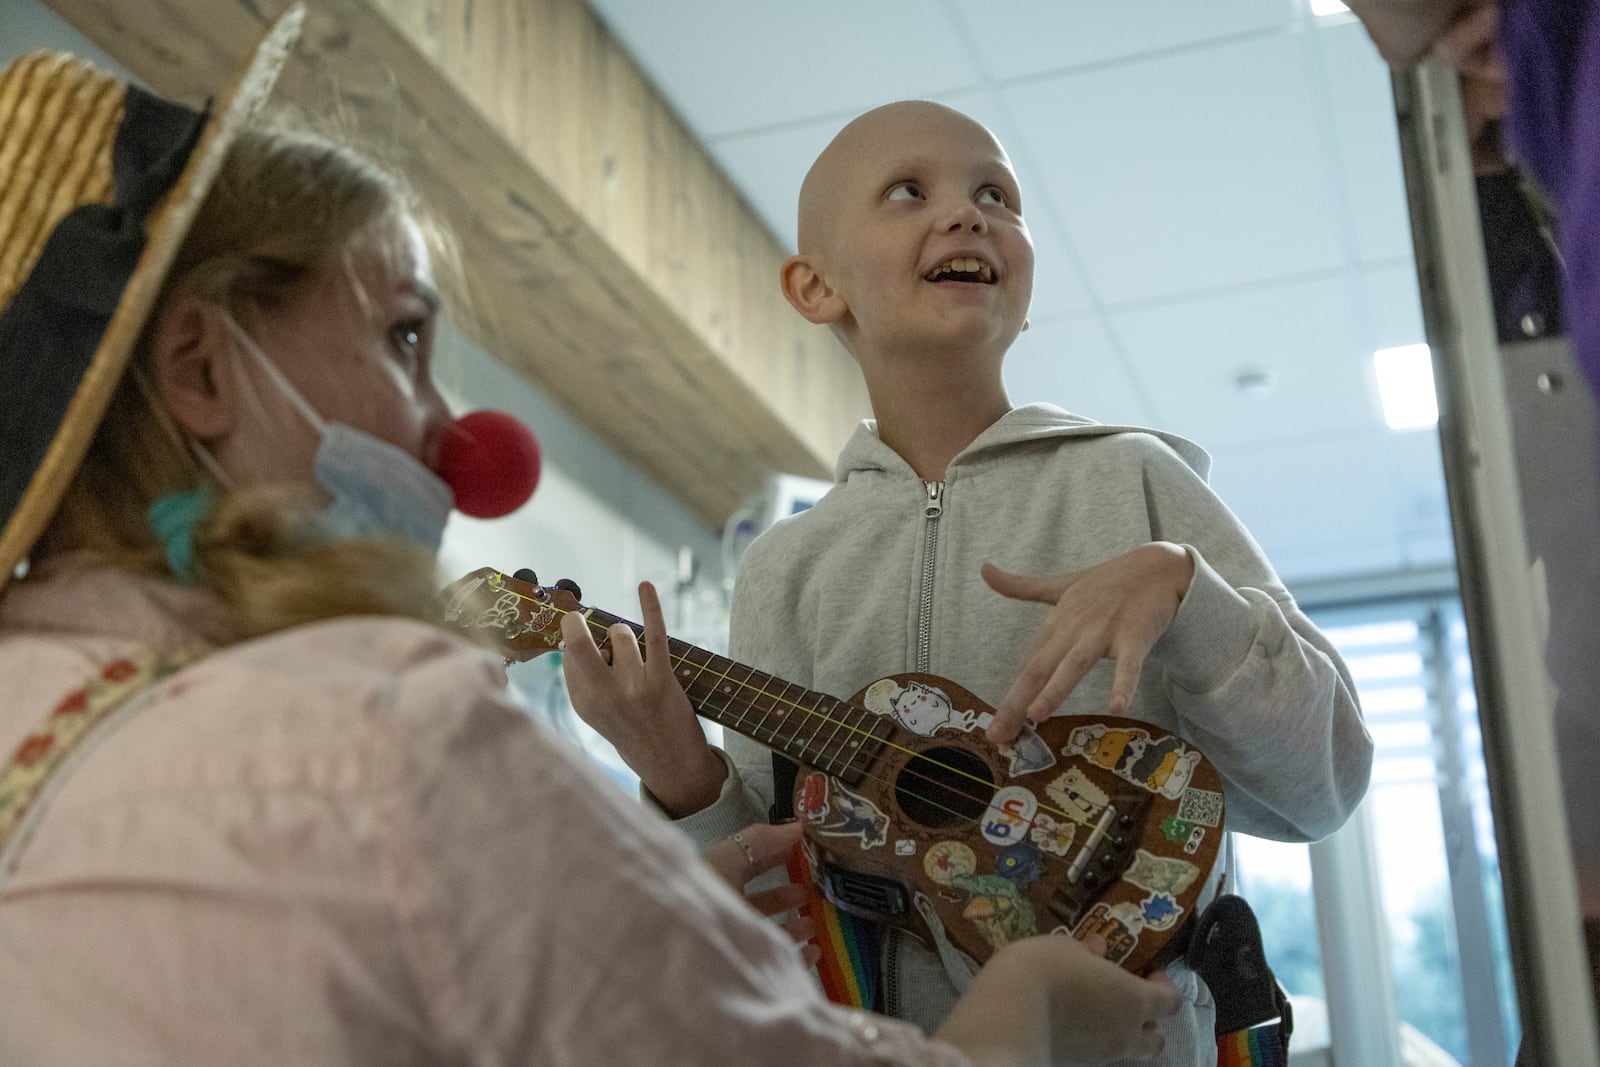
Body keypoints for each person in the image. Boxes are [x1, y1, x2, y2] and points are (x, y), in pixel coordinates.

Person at [0, 13, 1185, 1066]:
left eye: (994, 195)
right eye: (406, 339)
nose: (455, 435)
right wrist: (1023, 1004)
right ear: (204, 369)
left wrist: (1188, 586)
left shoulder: (34, 699)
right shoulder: (383, 723)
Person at [562, 99, 1375, 1066]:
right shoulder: (786, 567)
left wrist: (1184, 591)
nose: (967, 213)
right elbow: (768, 906)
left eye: (998, 195)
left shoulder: (1139, 484)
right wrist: (676, 770)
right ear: (815, 286)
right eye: (910, 191)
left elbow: (1324, 784)